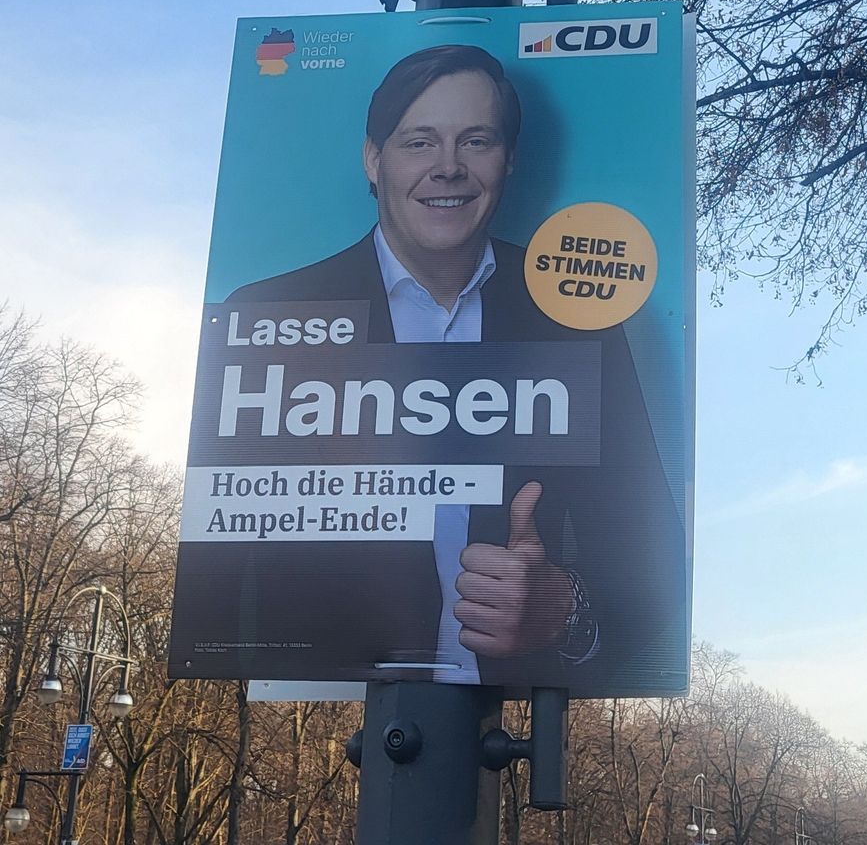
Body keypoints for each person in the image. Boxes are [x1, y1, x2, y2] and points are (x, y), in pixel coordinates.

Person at [224, 45, 686, 695]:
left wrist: (565, 608)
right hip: (314, 733)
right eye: (419, 142)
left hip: (519, 728)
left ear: (509, 160)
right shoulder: (267, 319)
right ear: (373, 159)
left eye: (476, 141)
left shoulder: (577, 319)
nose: (448, 168)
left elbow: (653, 563)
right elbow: (223, 581)